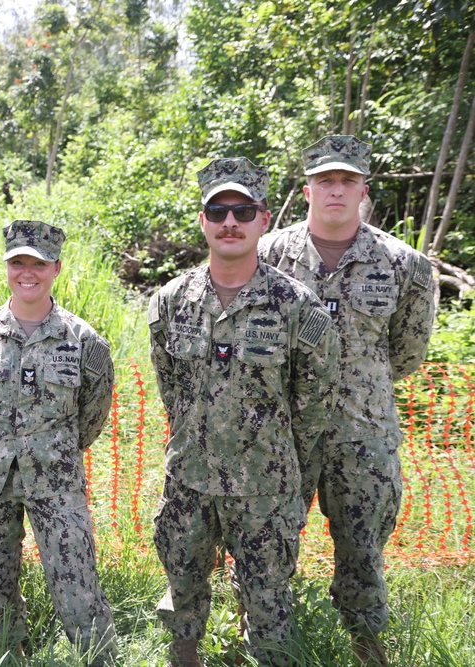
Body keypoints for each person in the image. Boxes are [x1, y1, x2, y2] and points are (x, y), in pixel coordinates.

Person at [148, 158, 340, 666]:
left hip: (265, 490)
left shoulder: (299, 306)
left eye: (242, 210)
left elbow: (314, 404)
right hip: (189, 482)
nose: (229, 221)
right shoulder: (171, 301)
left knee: (269, 606)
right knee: (183, 595)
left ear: (263, 218)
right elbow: (172, 388)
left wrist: (285, 475)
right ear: (203, 219)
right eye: (218, 210)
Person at [259, 136, 436, 665]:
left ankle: (367, 646)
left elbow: (406, 351)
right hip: (282, 431)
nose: (336, 190)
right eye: (326, 181)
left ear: (363, 189)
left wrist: (359, 387)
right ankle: (266, 642)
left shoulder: (405, 264)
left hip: (364, 434)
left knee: (363, 549)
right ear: (308, 188)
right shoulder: (268, 254)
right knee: (269, 542)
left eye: (348, 181)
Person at [0, 220, 118, 666]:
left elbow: (93, 415)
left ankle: (98, 658)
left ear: (56, 268)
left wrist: (55, 449)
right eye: (18, 263)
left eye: (39, 264)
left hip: (57, 483)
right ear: (7, 267)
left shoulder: (85, 342)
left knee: (77, 586)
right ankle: (9, 656)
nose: (28, 272)